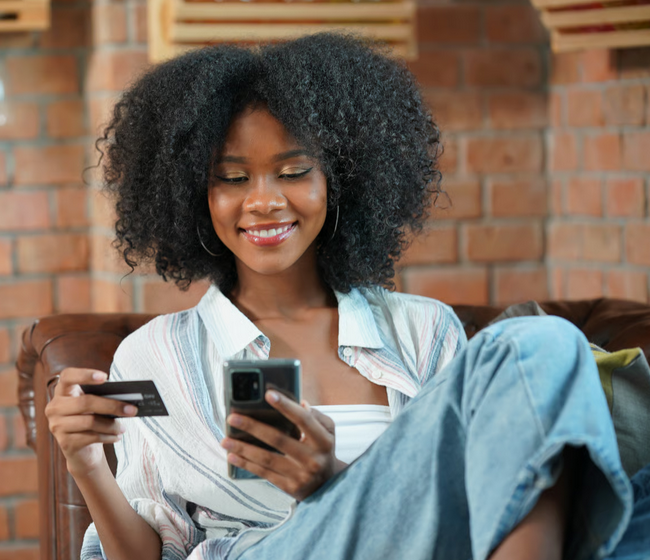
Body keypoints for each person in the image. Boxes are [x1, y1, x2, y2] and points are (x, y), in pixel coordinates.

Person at [45, 33, 649, 560]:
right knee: (537, 344)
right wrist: (87, 464)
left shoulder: (424, 331)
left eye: (293, 171)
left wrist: (332, 478)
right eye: (232, 178)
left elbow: (476, 495)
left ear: (343, 181)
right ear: (193, 196)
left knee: (568, 385)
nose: (263, 202)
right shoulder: (155, 355)